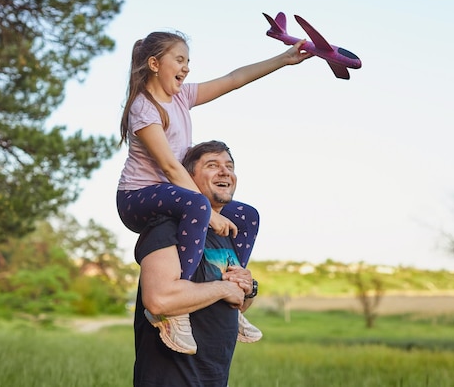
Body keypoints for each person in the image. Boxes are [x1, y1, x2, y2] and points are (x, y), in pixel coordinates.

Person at [116, 30, 311, 353]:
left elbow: (234, 79)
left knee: (245, 215)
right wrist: (207, 215)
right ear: (153, 64)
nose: (187, 68)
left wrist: (284, 60)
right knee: (198, 204)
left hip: (174, 194)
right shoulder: (144, 107)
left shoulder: (180, 97)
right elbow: (169, 166)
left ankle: (233, 283)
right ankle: (178, 305)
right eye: (179, 60)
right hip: (138, 198)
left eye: (188, 61)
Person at [133, 140, 260, 387]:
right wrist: (224, 288)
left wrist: (248, 288)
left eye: (229, 166)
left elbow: (231, 306)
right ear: (187, 178)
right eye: (212, 165)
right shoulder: (167, 228)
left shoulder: (226, 235)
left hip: (214, 377)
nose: (225, 172)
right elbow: (159, 299)